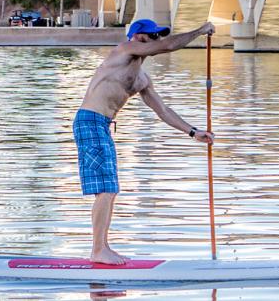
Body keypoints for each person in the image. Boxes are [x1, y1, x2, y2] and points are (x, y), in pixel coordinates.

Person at [73, 18, 216, 264]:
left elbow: (163, 111)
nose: (158, 40)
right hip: (90, 120)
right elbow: (169, 46)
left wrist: (193, 132)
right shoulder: (123, 50)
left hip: (103, 125)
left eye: (159, 36)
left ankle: (102, 247)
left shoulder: (141, 79)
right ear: (138, 37)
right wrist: (200, 30)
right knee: (106, 188)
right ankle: (98, 249)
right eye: (154, 36)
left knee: (110, 188)